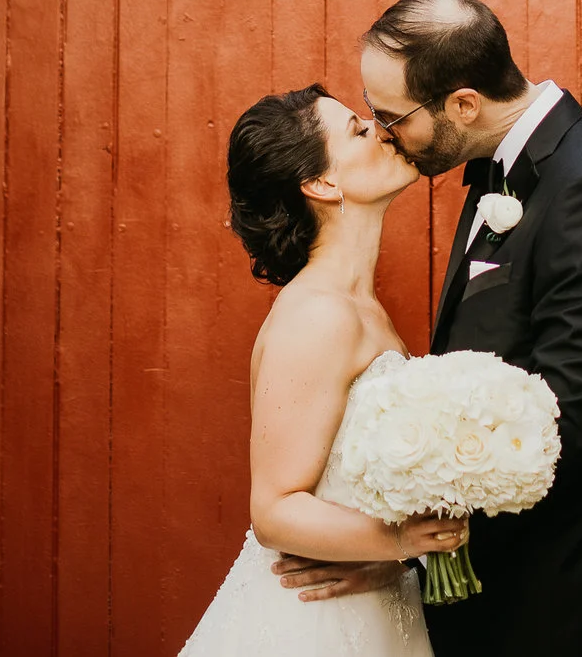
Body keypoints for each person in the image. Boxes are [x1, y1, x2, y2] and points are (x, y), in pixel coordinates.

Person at [272, 0, 582, 657]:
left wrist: (410, 552)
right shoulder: (501, 168)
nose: (383, 132)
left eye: (391, 117)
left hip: (555, 605)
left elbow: (568, 430)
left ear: (464, 105)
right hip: (487, 602)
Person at [178, 84, 464, 657]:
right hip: (313, 624)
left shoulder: (362, 309)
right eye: (358, 130)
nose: (381, 129)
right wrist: (406, 540)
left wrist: (399, 557)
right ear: (322, 184)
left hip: (378, 607)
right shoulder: (318, 315)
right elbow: (275, 511)